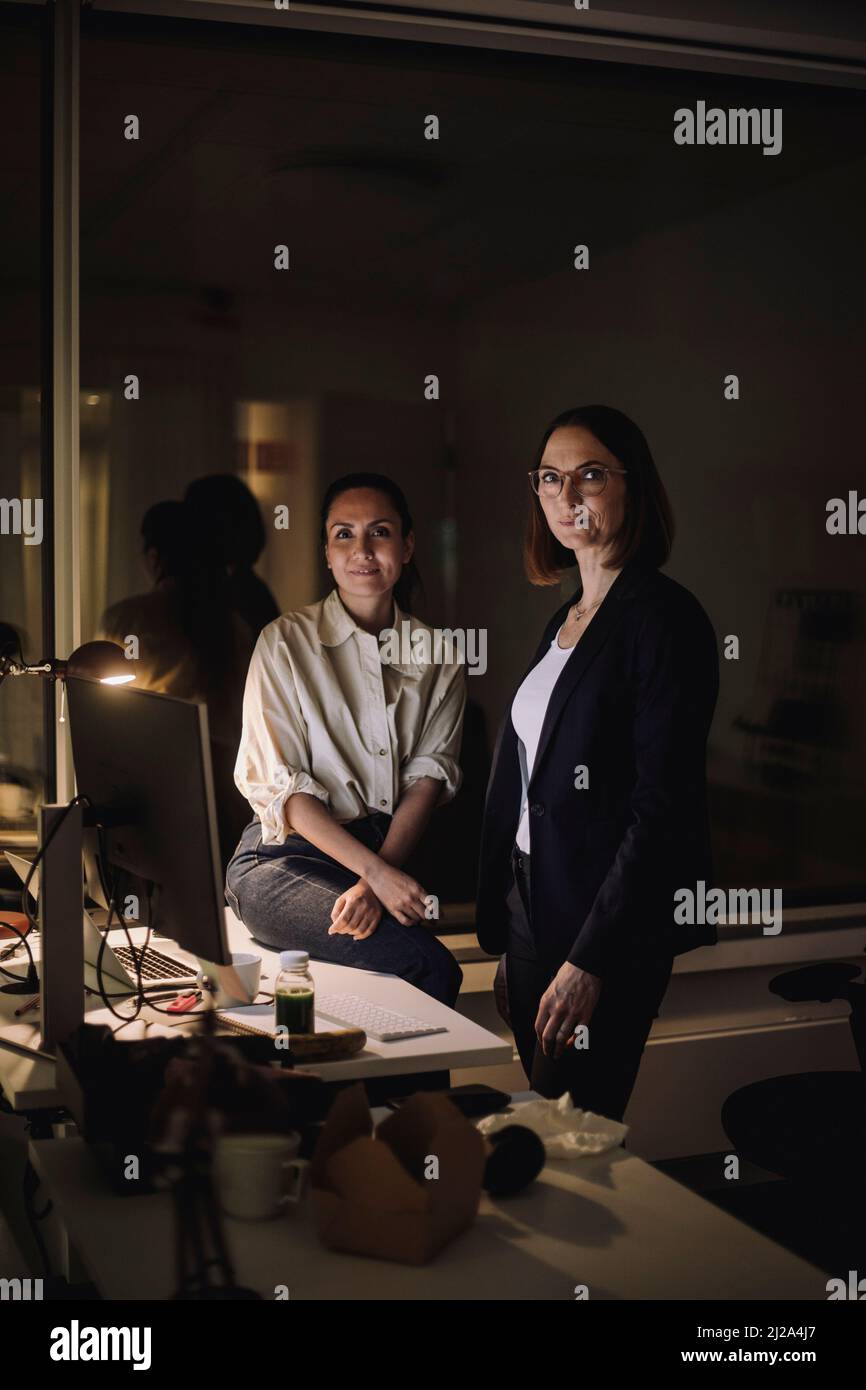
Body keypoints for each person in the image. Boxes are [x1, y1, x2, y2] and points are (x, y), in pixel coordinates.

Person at [476, 405, 719, 1120]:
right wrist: (517, 924)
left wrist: (591, 960)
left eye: (589, 475)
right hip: (533, 904)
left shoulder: (664, 619)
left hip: (604, 919)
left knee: (582, 1124)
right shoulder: (568, 614)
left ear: (632, 487)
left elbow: (659, 807)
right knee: (550, 1114)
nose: (566, 494)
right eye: (550, 478)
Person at [225, 472, 465, 1007]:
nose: (362, 550)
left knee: (404, 984)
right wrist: (376, 874)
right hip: (283, 859)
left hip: (386, 852)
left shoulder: (438, 654)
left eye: (379, 532)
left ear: (406, 546)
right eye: (343, 534)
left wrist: (380, 874)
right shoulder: (284, 643)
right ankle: (412, 1097)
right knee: (429, 968)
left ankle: (393, 1096)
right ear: (326, 553)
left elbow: (427, 778)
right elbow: (286, 791)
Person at [98, 498, 256, 870]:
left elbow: (104, 719)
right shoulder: (234, 627)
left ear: (153, 556)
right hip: (227, 795)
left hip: (159, 792)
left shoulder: (128, 618)